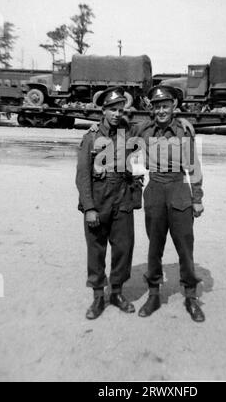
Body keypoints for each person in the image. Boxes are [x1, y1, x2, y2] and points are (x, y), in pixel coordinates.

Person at [134, 85, 205, 322]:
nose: (161, 110)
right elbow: (123, 139)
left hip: (178, 189)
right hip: (154, 189)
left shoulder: (184, 132)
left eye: (165, 106)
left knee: (185, 247)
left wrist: (197, 199)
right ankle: (153, 294)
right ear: (152, 109)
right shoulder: (143, 130)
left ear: (174, 106)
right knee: (155, 247)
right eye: (157, 106)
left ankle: (191, 297)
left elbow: (193, 166)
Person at [76, 87, 142, 320]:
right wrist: (89, 208)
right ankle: (97, 297)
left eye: (120, 109)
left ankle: (116, 293)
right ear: (102, 111)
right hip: (99, 200)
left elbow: (152, 126)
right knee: (96, 250)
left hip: (122, 199)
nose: (116, 114)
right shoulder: (91, 137)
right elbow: (82, 176)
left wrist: (183, 119)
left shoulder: (130, 133)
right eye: (111, 109)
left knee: (124, 248)